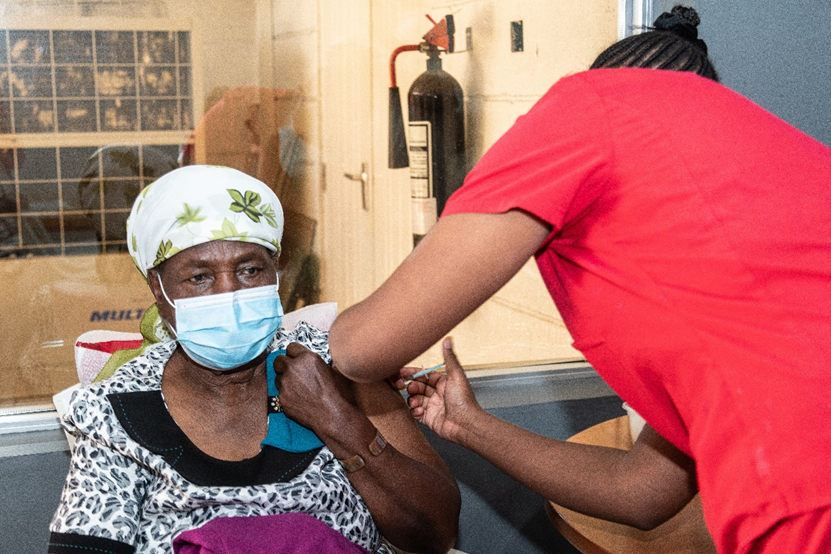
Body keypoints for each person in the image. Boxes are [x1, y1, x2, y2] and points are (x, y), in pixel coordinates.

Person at [327, 6, 831, 554]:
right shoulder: (775, 191)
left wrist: (313, 333)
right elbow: (644, 493)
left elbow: (361, 350)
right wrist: (470, 425)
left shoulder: (593, 104)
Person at [48, 165, 460, 554]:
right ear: (158, 287)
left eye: (249, 270)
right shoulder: (117, 411)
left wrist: (337, 418)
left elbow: (434, 533)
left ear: (276, 271)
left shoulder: (339, 364)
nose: (229, 294)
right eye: (199, 277)